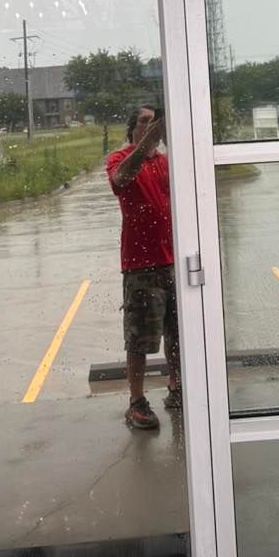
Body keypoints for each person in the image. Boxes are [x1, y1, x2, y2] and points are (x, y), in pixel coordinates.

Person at [105, 104, 181, 429]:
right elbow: (121, 180)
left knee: (177, 336)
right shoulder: (119, 160)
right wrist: (144, 145)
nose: (151, 127)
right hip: (140, 266)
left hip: (173, 263)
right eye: (144, 122)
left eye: (155, 123)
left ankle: (176, 388)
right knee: (139, 341)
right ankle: (136, 402)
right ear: (132, 128)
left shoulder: (166, 163)